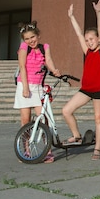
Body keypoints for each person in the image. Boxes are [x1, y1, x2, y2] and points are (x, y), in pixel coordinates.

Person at [63, 0, 100, 160]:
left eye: (92, 39)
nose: (89, 42)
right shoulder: (88, 52)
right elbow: (78, 34)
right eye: (87, 40)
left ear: (97, 39)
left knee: (98, 117)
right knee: (66, 110)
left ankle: (97, 148)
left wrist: (98, 12)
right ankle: (77, 136)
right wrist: (71, 17)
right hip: (86, 89)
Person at [13, 21, 60, 163]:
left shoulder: (44, 47)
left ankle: (47, 151)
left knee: (44, 119)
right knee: (26, 121)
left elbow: (49, 60)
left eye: (32, 37)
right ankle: (25, 150)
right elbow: (22, 67)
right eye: (27, 39)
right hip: (25, 86)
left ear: (38, 36)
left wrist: (54, 70)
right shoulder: (23, 48)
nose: (30, 41)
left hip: (38, 87)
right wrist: (26, 88)